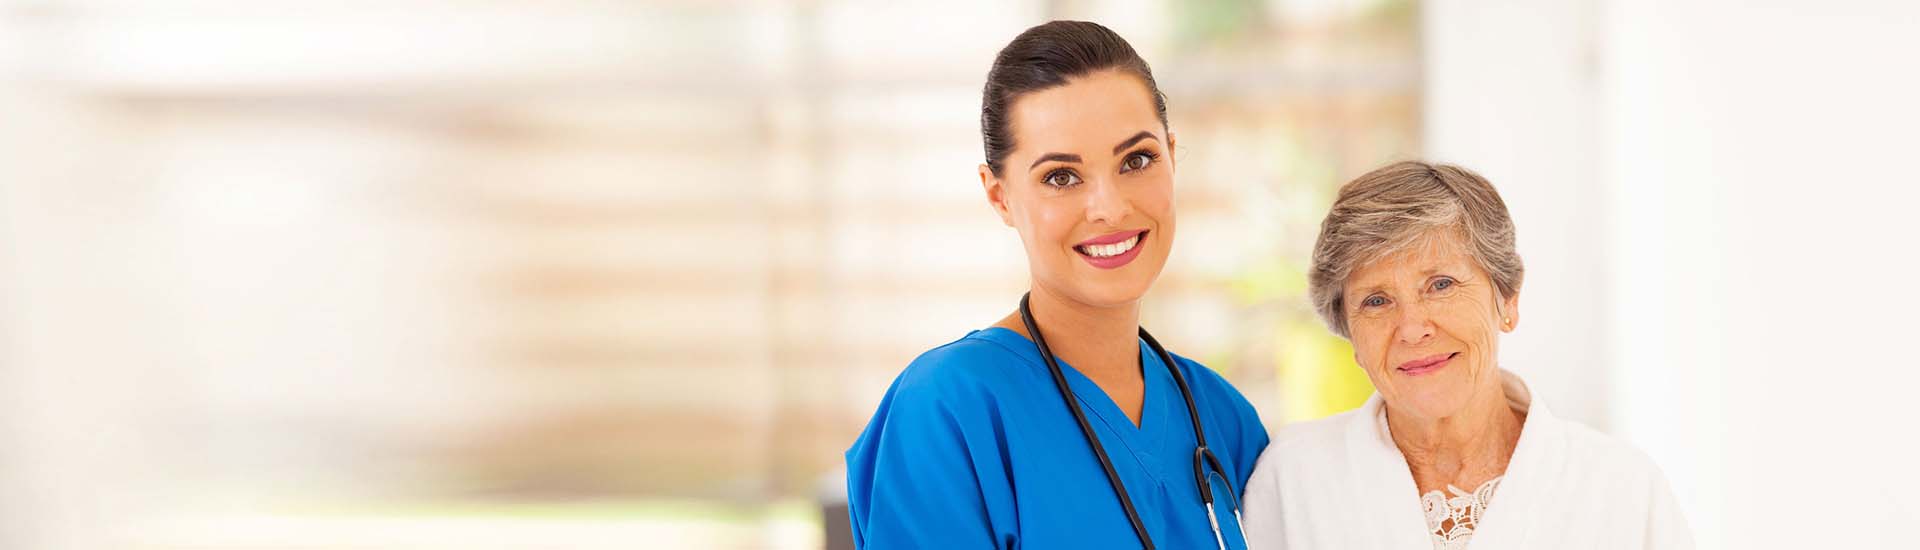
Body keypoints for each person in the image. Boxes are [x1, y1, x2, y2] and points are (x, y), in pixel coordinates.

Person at [844, 20, 1268, 550]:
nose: (1111, 208)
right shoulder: (949, 409)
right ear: (999, 197)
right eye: (1061, 177)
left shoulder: (1222, 417)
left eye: (1137, 160)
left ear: (1173, 156)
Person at [1240, 161, 1692, 550]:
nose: (1412, 329)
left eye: (1440, 285)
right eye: (1376, 301)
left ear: (1507, 299)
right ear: (1349, 333)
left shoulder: (1622, 488)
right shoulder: (1294, 476)